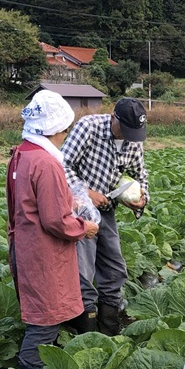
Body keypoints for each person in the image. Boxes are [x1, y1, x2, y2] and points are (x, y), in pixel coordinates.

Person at [7, 90, 99, 369]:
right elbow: (56, 221)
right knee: (45, 320)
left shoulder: (21, 154)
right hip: (44, 253)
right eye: (65, 129)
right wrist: (85, 227)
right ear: (55, 129)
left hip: (26, 246)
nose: (66, 135)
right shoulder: (46, 163)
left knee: (40, 313)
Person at [61, 97, 149, 335]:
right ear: (113, 117)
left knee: (114, 266)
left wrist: (141, 199)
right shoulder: (88, 128)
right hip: (78, 210)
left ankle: (109, 328)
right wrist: (87, 193)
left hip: (107, 212)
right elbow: (61, 165)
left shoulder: (133, 141)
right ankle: (86, 330)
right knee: (84, 269)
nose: (129, 137)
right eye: (125, 130)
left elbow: (140, 175)